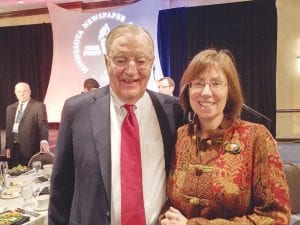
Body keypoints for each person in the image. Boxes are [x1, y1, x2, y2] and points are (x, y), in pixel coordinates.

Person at [48, 24, 184, 225]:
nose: (131, 70)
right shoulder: (77, 110)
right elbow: (61, 186)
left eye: (141, 60)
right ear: (106, 62)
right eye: (121, 60)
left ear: (152, 63)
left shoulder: (173, 111)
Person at [159, 49, 291, 225]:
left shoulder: (256, 138)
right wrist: (166, 218)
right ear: (188, 90)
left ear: (230, 90)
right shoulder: (180, 136)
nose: (206, 92)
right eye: (198, 83)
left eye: (216, 83)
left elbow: (276, 218)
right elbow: (170, 199)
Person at [5, 82, 50, 168]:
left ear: (29, 92)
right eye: (19, 91)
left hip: (30, 147)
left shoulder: (38, 106)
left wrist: (44, 140)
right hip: (13, 149)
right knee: (14, 175)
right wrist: (8, 146)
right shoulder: (10, 108)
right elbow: (9, 129)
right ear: (15, 93)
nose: (22, 94)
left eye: (25, 91)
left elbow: (43, 125)